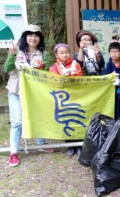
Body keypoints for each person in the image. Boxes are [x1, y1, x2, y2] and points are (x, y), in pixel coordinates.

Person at [4, 24, 52, 167]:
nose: (33, 38)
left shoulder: (44, 54)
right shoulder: (17, 50)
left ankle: (41, 143)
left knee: (38, 116)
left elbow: (47, 73)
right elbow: (7, 68)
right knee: (17, 121)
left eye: (36, 35)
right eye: (30, 35)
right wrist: (11, 55)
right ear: (25, 37)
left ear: (40, 38)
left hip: (35, 92)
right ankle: (13, 152)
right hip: (16, 91)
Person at [50, 43, 83, 156]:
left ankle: (79, 145)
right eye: (61, 53)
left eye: (66, 52)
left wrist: (73, 75)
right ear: (56, 55)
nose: (64, 55)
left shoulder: (76, 64)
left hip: (76, 96)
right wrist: (61, 77)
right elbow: (52, 82)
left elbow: (81, 80)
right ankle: (69, 145)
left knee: (77, 118)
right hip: (63, 99)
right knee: (66, 121)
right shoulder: (53, 68)